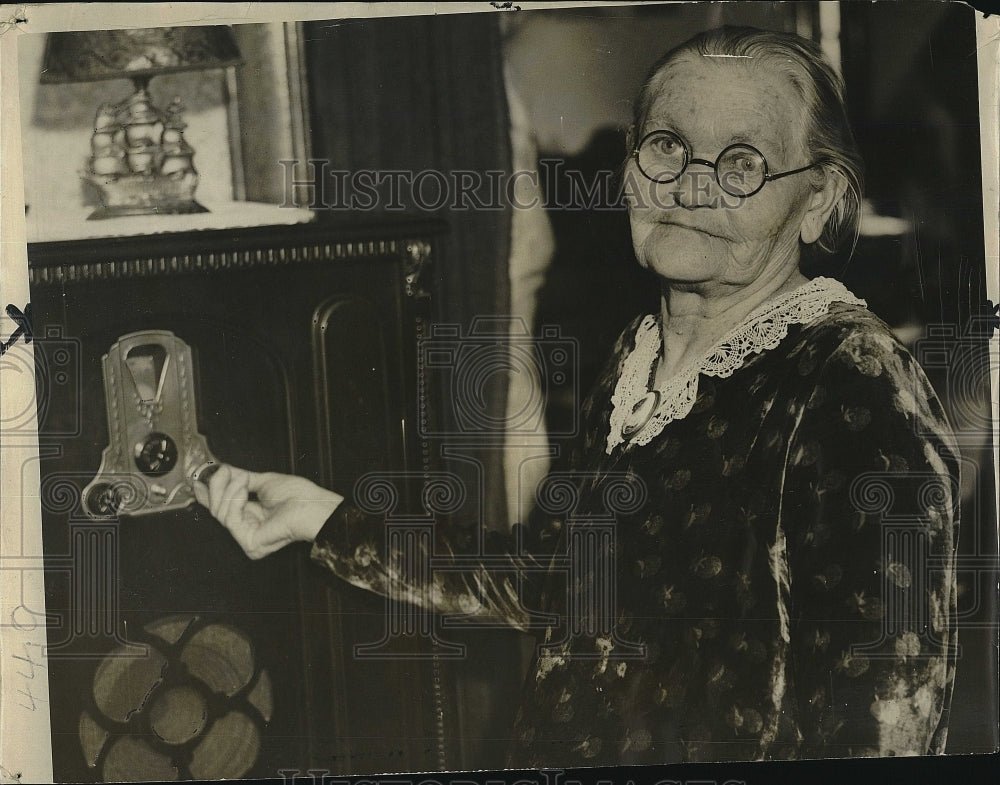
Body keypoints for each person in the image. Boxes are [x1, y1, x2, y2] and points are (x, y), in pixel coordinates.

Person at [193, 26, 960, 766]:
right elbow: (551, 575)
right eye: (667, 145)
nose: (690, 186)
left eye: (742, 162)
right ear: (630, 167)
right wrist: (325, 517)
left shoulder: (852, 377)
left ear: (820, 198)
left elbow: (887, 715)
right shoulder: (640, 351)